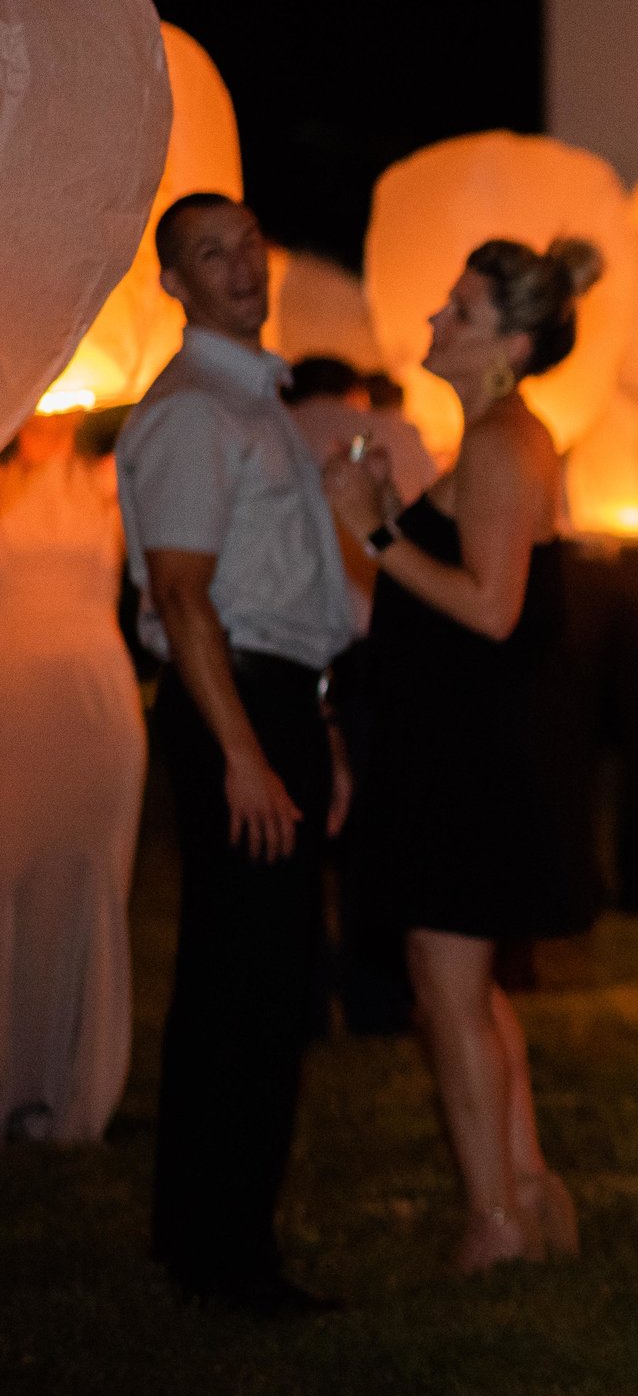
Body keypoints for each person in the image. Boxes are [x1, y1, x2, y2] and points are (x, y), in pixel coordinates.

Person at [324, 238, 604, 1269]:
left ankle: (495, 1216)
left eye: (462, 309)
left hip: (471, 756)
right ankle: (528, 1194)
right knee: (468, 984)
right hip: (475, 745)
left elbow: (492, 607)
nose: (436, 320)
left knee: (447, 989)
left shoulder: (499, 440)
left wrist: (377, 531)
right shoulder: (500, 435)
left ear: (512, 343)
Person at [115, 192, 358, 1316]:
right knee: (244, 990)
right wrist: (248, 754)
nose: (242, 265)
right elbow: (180, 594)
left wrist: (317, 729)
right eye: (210, 253)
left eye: (249, 241)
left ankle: (208, 1237)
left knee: (255, 985)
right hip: (234, 712)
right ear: (173, 283)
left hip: (275, 706)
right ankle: (225, 1254)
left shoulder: (252, 397)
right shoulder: (190, 412)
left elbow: (289, 596)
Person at [0, 399, 144, 1144]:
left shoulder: (108, 482)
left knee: (81, 879)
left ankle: (70, 1080)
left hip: (92, 703)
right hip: (9, 700)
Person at [285, 355, 438, 1035]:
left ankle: (305, 998)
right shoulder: (393, 433)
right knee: (376, 830)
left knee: (299, 834)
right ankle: (377, 998)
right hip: (381, 654)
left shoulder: (274, 430)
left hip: (291, 654)